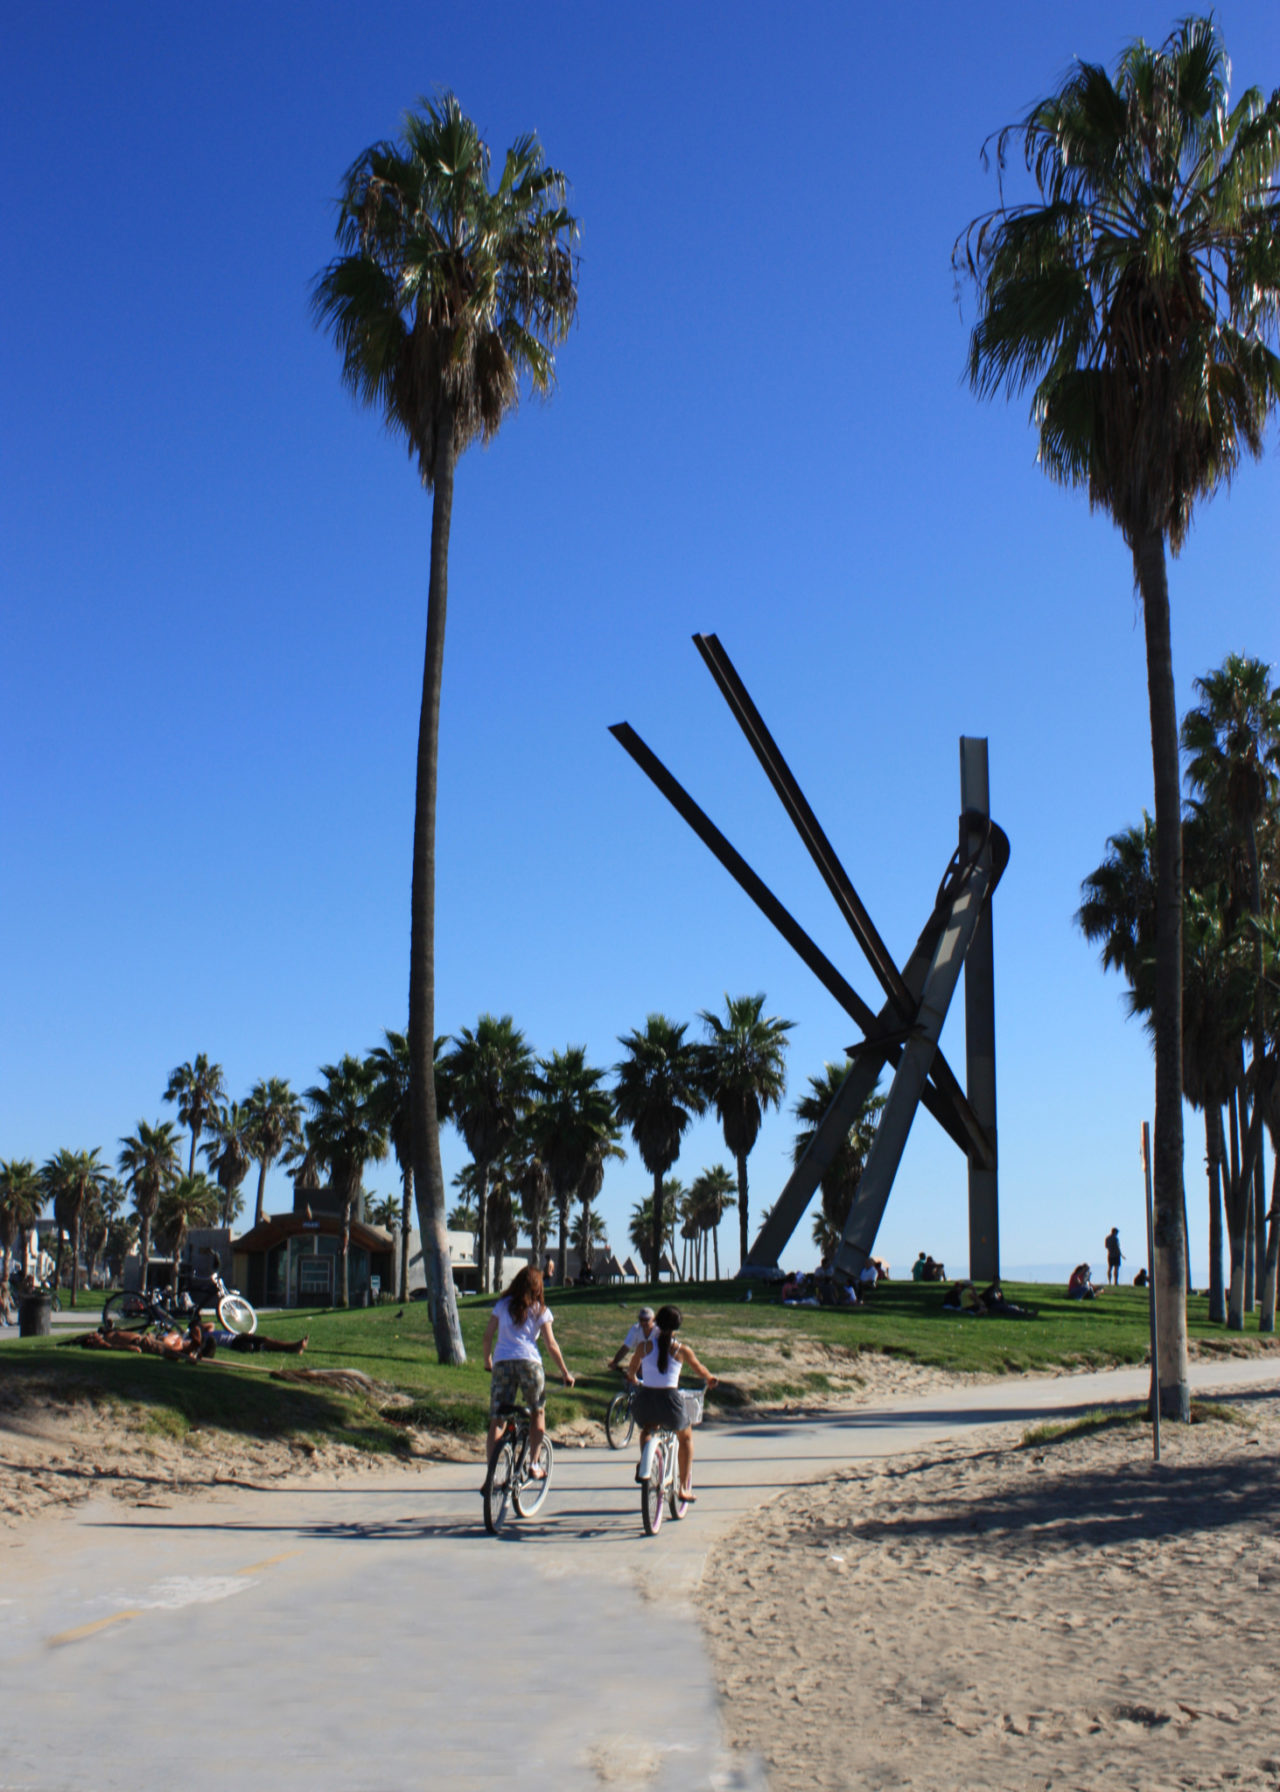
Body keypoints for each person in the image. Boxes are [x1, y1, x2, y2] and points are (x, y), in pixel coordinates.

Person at [482, 1265, 574, 1478]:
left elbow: (487, 1336)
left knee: (497, 1419)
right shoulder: (540, 1310)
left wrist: (488, 1360)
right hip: (530, 1364)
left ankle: (492, 1474)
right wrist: (564, 1372)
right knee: (537, 1411)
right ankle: (534, 1464)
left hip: (503, 1363)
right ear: (538, 1287)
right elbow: (551, 1344)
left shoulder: (502, 1305)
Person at [627, 1304, 716, 1504]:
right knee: (685, 1438)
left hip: (646, 1400)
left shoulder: (644, 1347)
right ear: (677, 1326)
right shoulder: (681, 1350)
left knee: (647, 1429)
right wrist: (710, 1378)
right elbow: (699, 1368)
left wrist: (632, 1377)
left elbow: (632, 1369)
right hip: (670, 1402)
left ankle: (645, 1465)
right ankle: (684, 1488)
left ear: (656, 1322)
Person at [608, 1305, 656, 1371]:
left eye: (646, 1320)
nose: (643, 1322)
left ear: (653, 1319)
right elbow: (626, 1347)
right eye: (641, 1319)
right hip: (642, 1358)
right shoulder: (635, 1329)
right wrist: (615, 1362)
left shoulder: (659, 1330)